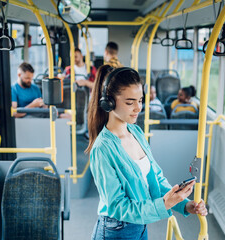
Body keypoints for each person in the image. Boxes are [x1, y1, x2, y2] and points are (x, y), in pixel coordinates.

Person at [86, 65, 207, 239]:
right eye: (130, 102)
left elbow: (156, 178)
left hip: (140, 224)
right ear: (109, 102)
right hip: (116, 229)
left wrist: (184, 205)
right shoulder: (102, 149)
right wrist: (163, 204)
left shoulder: (136, 132)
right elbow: (118, 206)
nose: (138, 108)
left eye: (140, 100)